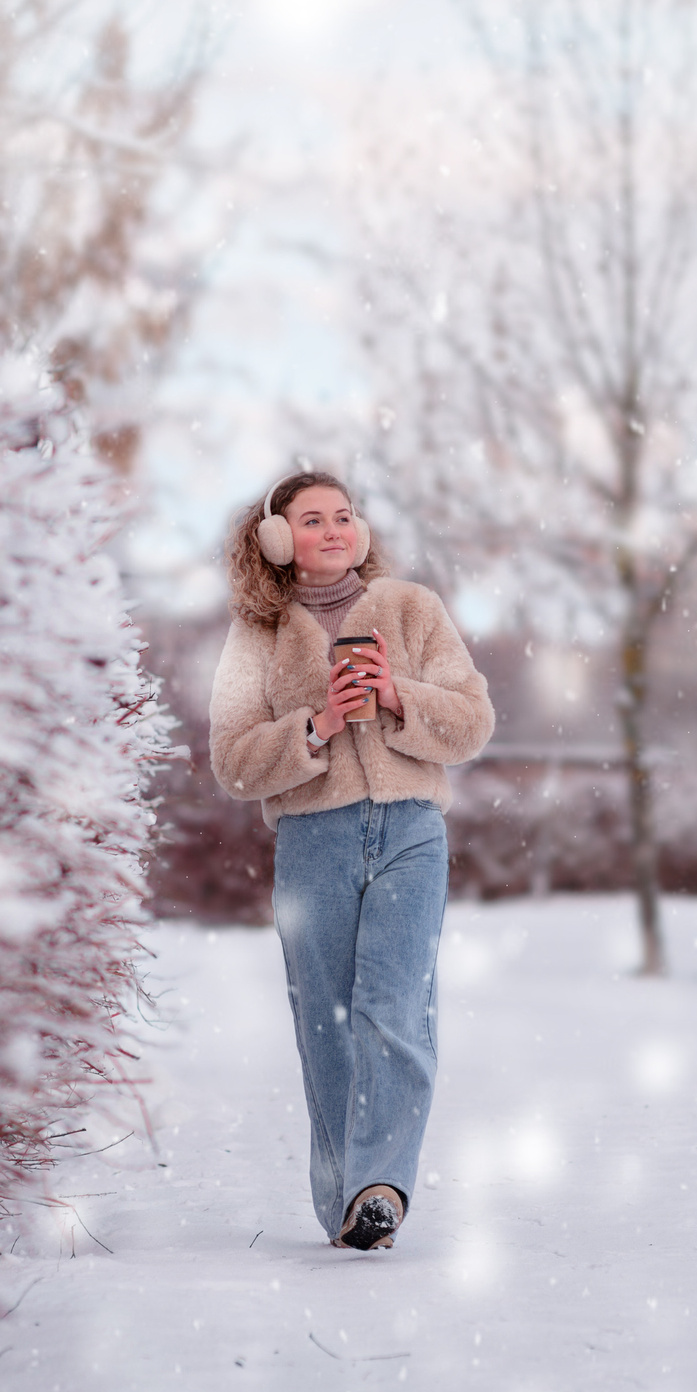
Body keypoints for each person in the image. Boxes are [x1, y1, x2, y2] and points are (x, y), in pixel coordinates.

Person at [209, 471, 495, 1251]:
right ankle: (344, 1200)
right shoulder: (256, 634)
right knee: (328, 1024)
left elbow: (473, 721)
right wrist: (317, 724)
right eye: (312, 519)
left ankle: (380, 1189)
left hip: (410, 830)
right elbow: (231, 761)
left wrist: (399, 697)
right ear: (275, 539)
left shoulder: (413, 608)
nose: (334, 530)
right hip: (313, 840)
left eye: (344, 515)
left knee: (395, 1006)